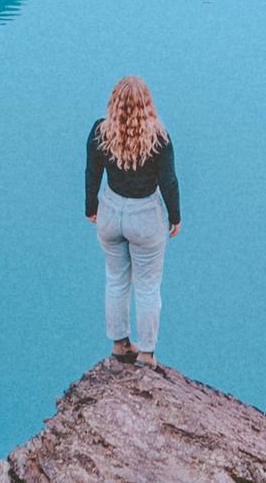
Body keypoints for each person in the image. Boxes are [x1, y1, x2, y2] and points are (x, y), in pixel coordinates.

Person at [85, 75, 181, 365]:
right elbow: (169, 182)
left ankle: (120, 344)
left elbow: (92, 173)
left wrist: (91, 207)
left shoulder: (100, 132)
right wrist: (175, 216)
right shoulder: (159, 138)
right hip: (145, 217)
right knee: (148, 286)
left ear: (114, 102)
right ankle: (148, 353)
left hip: (111, 212)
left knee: (116, 281)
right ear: (146, 105)